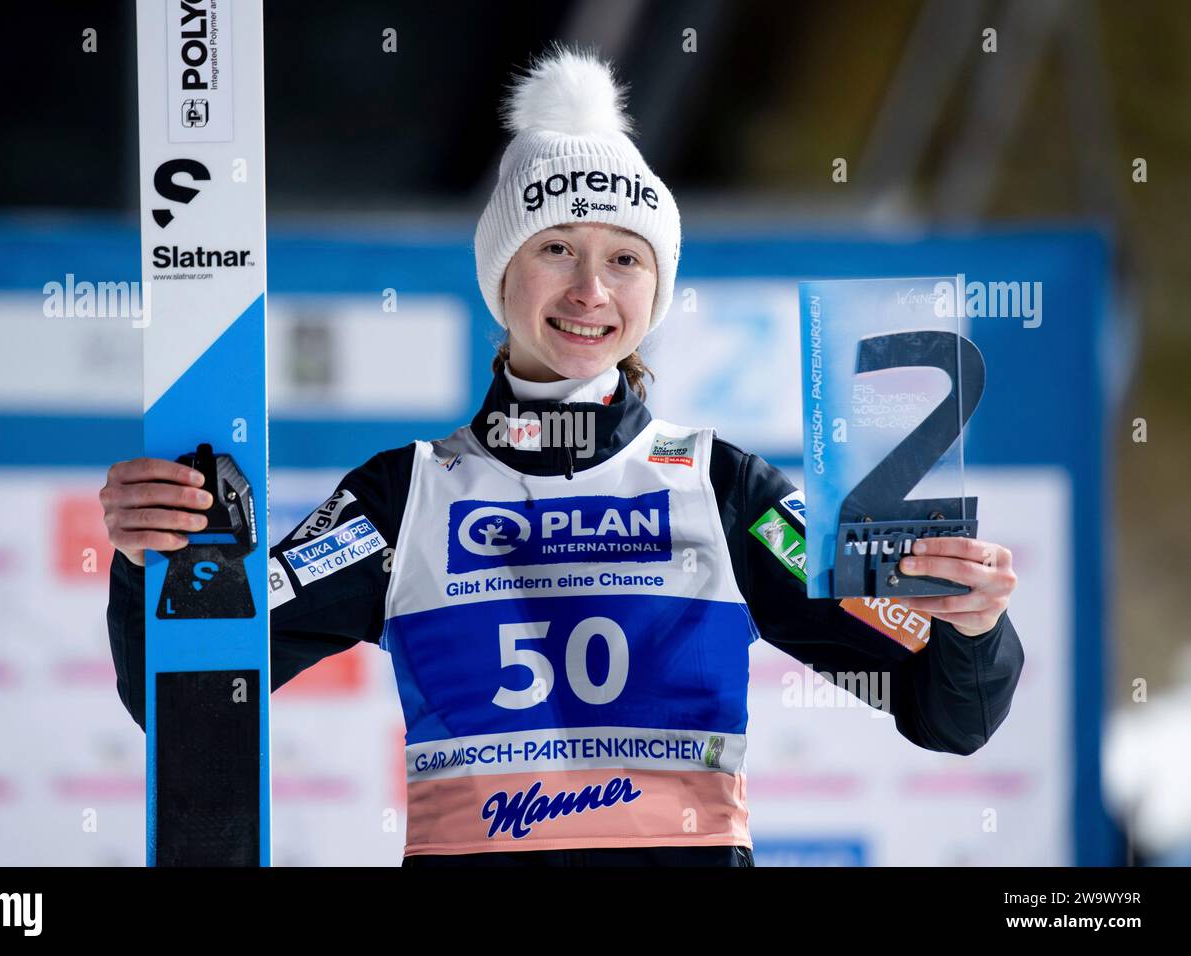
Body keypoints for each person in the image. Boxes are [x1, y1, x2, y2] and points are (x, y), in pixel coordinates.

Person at [102, 45, 1024, 868]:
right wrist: (152, 562)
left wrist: (973, 630)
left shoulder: (725, 490)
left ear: (656, 291)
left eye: (626, 259)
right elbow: (189, 698)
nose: (591, 288)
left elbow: (944, 713)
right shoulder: (403, 497)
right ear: (502, 277)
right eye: (556, 248)